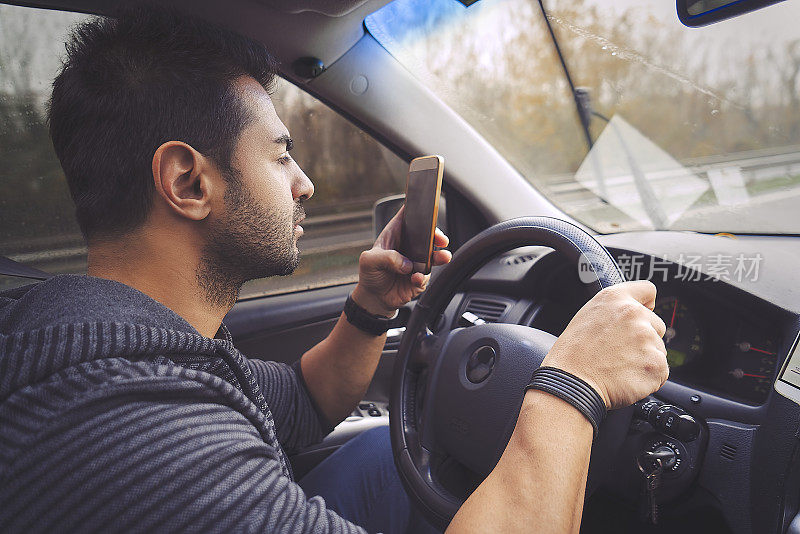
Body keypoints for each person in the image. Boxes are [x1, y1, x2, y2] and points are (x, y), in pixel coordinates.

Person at [0, 6, 668, 534]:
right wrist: (571, 386)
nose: (305, 182)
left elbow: (303, 401)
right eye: (281, 154)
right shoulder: (133, 429)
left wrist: (371, 306)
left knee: (386, 459)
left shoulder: (131, 341)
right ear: (187, 182)